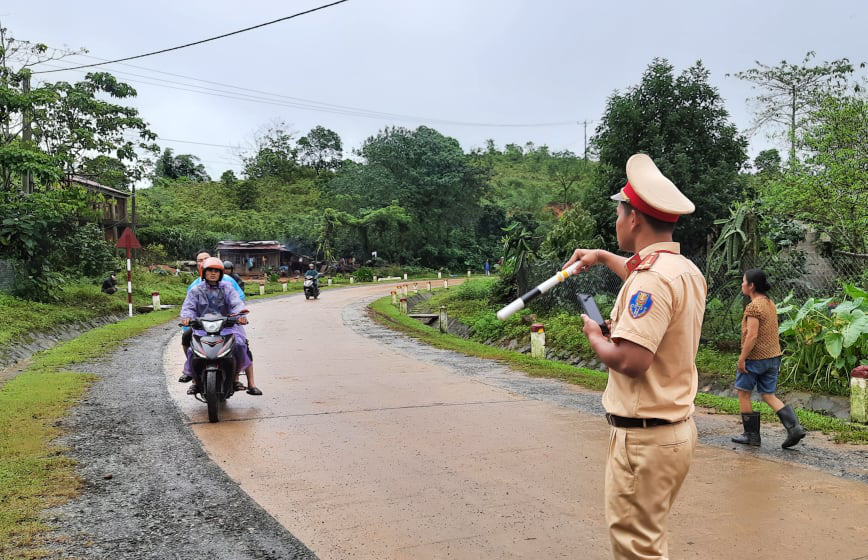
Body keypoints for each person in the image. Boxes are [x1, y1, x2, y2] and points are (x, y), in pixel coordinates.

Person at [563, 153, 705, 560]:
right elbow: (642, 275)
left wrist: (596, 336)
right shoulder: (681, 269)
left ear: (635, 219)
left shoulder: (652, 282)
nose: (616, 222)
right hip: (671, 430)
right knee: (648, 541)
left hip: (644, 439)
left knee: (636, 550)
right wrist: (603, 256)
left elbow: (631, 361)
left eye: (619, 213)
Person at [732, 268, 806, 448]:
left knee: (743, 392)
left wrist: (742, 358)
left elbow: (752, 336)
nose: (742, 284)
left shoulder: (754, 307)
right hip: (773, 357)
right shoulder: (769, 303)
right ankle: (794, 428)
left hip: (755, 358)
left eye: (744, 281)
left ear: (751, 286)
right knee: (767, 394)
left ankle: (751, 436)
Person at [180, 258, 262, 396]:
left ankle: (236, 377)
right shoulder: (196, 290)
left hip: (227, 326)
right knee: (192, 350)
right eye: (210, 270)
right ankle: (195, 380)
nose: (213, 273)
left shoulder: (227, 288)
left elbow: (236, 303)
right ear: (203, 272)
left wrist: (240, 315)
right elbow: (188, 307)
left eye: (216, 271)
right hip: (202, 327)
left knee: (240, 345)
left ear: (221, 273)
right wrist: (187, 318)